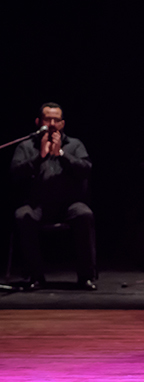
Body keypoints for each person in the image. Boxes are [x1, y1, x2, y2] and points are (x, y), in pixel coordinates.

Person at [10, 102, 97, 290]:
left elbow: (86, 169)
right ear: (38, 122)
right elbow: (15, 173)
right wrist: (39, 157)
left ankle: (86, 277)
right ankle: (35, 276)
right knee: (22, 215)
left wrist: (62, 154)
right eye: (47, 119)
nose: (51, 123)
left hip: (68, 204)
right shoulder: (26, 146)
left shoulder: (74, 144)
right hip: (36, 205)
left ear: (62, 124)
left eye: (56, 120)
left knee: (84, 214)